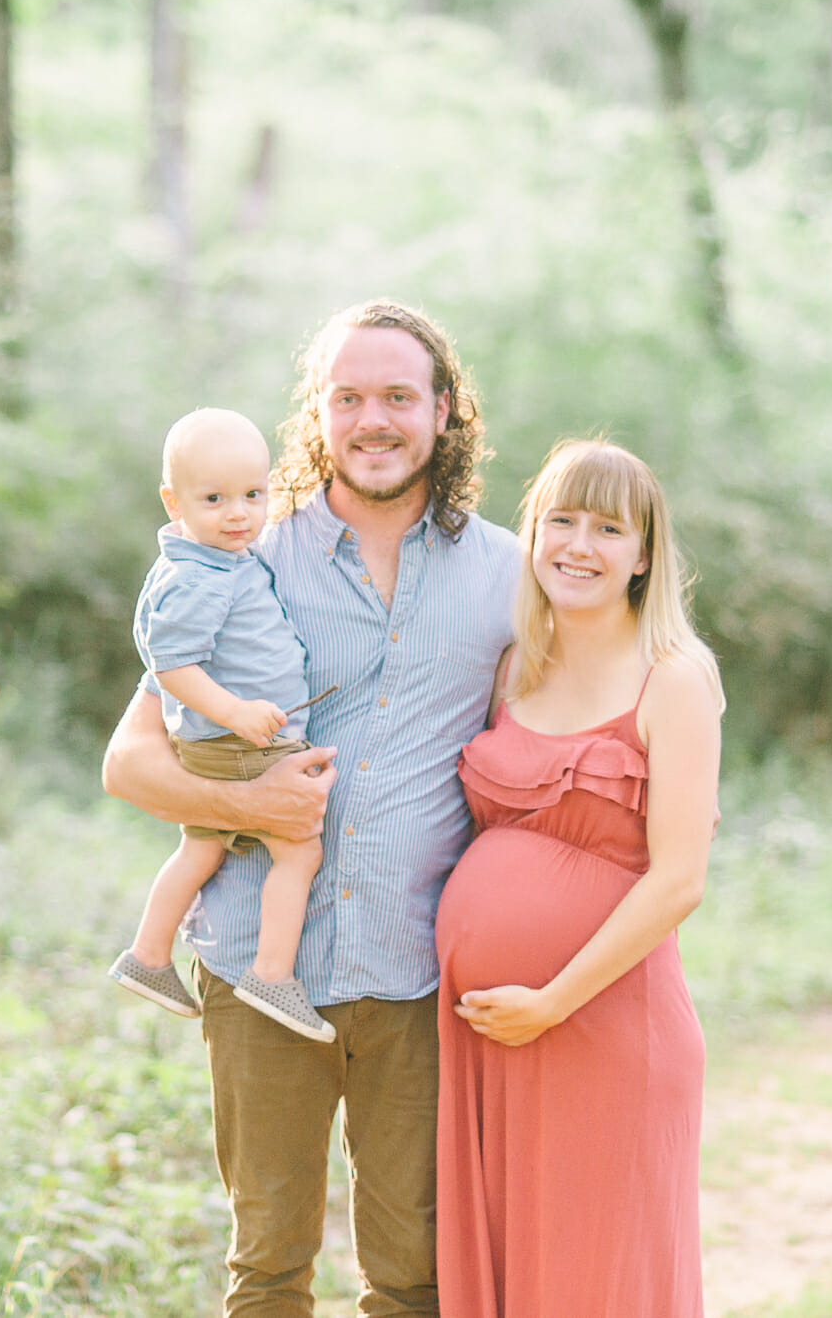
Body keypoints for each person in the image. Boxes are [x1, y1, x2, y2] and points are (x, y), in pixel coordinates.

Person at [102, 300, 517, 1317]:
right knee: (269, 1269)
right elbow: (128, 762)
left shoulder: (509, 575)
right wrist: (247, 799)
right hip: (254, 967)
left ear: (442, 408)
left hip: (416, 973)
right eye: (347, 398)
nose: (372, 419)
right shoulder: (245, 556)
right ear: (317, 415)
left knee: (415, 1276)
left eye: (396, 396)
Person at [435, 437, 723, 1318]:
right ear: (531, 534)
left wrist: (553, 999)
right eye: (560, 520)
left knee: (597, 1282)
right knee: (514, 1274)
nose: (579, 544)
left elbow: (678, 882)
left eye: (608, 527)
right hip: (488, 1038)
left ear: (644, 555)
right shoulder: (514, 665)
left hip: (602, 1029)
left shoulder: (673, 678)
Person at [108, 406, 335, 1043]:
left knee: (202, 848)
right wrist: (236, 711)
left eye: (253, 496)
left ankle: (149, 956)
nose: (239, 514)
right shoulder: (198, 576)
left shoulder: (215, 560)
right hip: (237, 742)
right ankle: (271, 972)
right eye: (214, 499)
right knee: (299, 847)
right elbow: (172, 664)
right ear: (173, 500)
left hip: (225, 740)